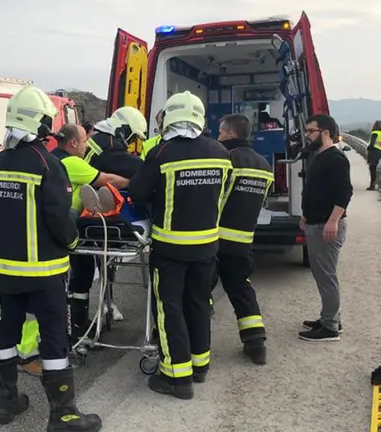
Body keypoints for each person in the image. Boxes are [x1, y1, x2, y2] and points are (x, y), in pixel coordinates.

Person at [0, 85, 102, 431]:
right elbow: (60, 220)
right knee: (53, 336)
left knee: (8, 331)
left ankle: (6, 405)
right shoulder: (47, 164)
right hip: (44, 272)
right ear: (41, 122)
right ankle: (63, 415)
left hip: (4, 271)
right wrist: (73, 240)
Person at [129, 91, 232, 399]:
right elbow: (223, 195)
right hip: (207, 246)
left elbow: (137, 193)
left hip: (170, 248)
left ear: (169, 118)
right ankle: (199, 367)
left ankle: (176, 378)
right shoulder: (220, 152)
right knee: (199, 303)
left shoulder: (161, 153)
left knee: (169, 308)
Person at [51, 123, 130, 346]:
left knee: (73, 274)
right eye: (84, 141)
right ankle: (77, 329)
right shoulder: (73, 162)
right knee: (82, 272)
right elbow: (108, 180)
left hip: (55, 225)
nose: (87, 146)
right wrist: (135, 182)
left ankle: (76, 326)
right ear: (73, 142)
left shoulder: (52, 158)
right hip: (68, 225)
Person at [214, 114, 274, 365]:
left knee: (199, 290)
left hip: (216, 237)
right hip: (243, 239)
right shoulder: (265, 166)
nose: (217, 137)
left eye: (220, 132)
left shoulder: (227, 159)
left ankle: (196, 344)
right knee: (241, 288)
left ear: (229, 134)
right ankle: (255, 342)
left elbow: (215, 198)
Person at [298, 113, 353, 342]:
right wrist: (305, 214)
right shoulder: (319, 157)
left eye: (311, 131)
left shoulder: (335, 159)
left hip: (326, 225)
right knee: (322, 275)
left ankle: (330, 327)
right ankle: (329, 317)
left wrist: (332, 221)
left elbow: (344, 192)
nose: (307, 136)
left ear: (326, 133)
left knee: (326, 277)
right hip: (316, 221)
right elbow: (316, 190)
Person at [366, 120, 381, 191]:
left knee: (372, 169)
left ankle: (372, 185)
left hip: (374, 152)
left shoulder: (375, 133)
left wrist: (368, 148)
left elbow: (372, 144)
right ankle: (377, 184)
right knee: (377, 169)